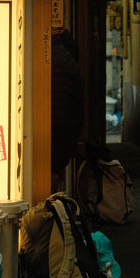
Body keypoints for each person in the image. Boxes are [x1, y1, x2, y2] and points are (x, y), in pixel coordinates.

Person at [51, 29, 85, 181]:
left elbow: (55, 116)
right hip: (58, 151)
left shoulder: (56, 61)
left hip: (52, 153)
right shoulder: (62, 58)